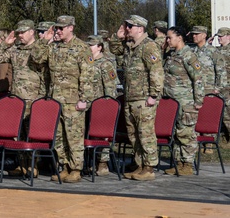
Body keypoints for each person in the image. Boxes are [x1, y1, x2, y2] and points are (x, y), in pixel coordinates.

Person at [31, 15, 92, 183]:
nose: (58, 30)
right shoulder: (53, 47)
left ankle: (76, 168)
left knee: (74, 136)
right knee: (58, 137)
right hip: (55, 100)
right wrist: (45, 40)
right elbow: (36, 58)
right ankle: (63, 165)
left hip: (73, 100)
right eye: (56, 28)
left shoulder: (81, 47)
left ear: (71, 28)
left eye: (61, 28)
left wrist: (84, 99)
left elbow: (87, 75)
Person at [111, 14, 164, 181]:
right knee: (133, 134)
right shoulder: (129, 46)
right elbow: (114, 49)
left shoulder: (149, 46)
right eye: (127, 25)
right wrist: (116, 37)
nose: (127, 28)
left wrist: (153, 95)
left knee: (145, 133)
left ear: (140, 29)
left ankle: (149, 167)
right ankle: (140, 164)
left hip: (143, 98)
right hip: (130, 97)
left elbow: (155, 72)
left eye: (130, 26)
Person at [162, 25, 205, 176]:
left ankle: (187, 164)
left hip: (186, 103)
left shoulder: (188, 55)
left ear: (179, 37)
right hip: (172, 103)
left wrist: (199, 101)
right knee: (175, 133)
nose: (167, 40)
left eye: (169, 37)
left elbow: (198, 79)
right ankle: (178, 162)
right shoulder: (172, 55)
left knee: (186, 133)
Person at [86, 34, 119, 174]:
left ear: (100, 47)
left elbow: (111, 88)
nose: (88, 48)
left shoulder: (106, 64)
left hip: (101, 105)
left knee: (101, 134)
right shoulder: (87, 62)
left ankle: (103, 163)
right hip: (87, 104)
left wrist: (108, 106)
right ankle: (89, 162)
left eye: (91, 45)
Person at [188, 26, 217, 94]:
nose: (194, 36)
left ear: (204, 35)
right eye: (193, 34)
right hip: (194, 89)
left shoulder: (213, 51)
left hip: (209, 89)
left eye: (197, 34)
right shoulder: (192, 51)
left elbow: (221, 71)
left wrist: (218, 88)